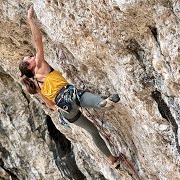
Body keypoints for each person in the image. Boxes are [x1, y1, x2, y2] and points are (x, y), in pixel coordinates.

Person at [19, 5, 121, 168]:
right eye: (30, 58)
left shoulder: (37, 86)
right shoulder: (39, 67)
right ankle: (103, 103)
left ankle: (111, 160)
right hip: (70, 94)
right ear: (30, 66)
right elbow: (38, 41)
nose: (33, 56)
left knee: (93, 132)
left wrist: (60, 109)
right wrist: (30, 19)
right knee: (94, 102)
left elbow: (50, 105)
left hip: (65, 110)